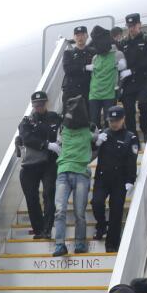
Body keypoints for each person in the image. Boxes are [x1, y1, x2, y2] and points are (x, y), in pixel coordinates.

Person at [92, 105, 140, 252]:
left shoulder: (130, 137)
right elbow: (90, 152)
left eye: (117, 120)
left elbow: (132, 160)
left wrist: (130, 181)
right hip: (102, 178)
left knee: (116, 211)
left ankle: (111, 244)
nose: (114, 123)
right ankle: (101, 226)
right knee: (96, 203)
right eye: (111, 120)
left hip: (120, 180)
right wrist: (95, 142)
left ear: (123, 119)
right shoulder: (103, 134)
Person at [52, 94, 95, 257]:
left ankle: (76, 243)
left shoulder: (63, 128)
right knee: (71, 211)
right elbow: (96, 140)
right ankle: (64, 244)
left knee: (69, 211)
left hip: (74, 172)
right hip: (69, 172)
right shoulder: (90, 130)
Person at [17, 91, 62, 239]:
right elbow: (26, 138)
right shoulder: (27, 121)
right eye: (35, 105)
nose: (38, 108)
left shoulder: (55, 118)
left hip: (48, 163)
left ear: (46, 104)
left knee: (49, 194)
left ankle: (47, 229)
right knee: (31, 198)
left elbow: (57, 132)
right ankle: (38, 229)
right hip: (30, 165)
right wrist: (45, 144)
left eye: (41, 105)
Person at [119, 13, 147, 140]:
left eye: (134, 25)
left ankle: (146, 130)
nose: (131, 28)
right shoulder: (123, 42)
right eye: (129, 26)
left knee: (143, 104)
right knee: (128, 109)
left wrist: (132, 70)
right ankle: (132, 135)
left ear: (139, 25)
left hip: (144, 79)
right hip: (129, 82)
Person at [86, 25, 124, 129]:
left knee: (110, 121)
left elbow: (123, 69)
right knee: (94, 121)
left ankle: (110, 143)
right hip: (94, 93)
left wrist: (119, 86)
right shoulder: (95, 58)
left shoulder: (117, 54)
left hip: (109, 93)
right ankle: (96, 144)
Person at [61, 26, 92, 105]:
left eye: (82, 35)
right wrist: (84, 67)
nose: (80, 38)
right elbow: (68, 69)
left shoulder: (92, 52)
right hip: (71, 91)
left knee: (88, 116)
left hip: (87, 90)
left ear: (87, 36)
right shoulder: (68, 53)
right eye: (77, 35)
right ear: (74, 37)